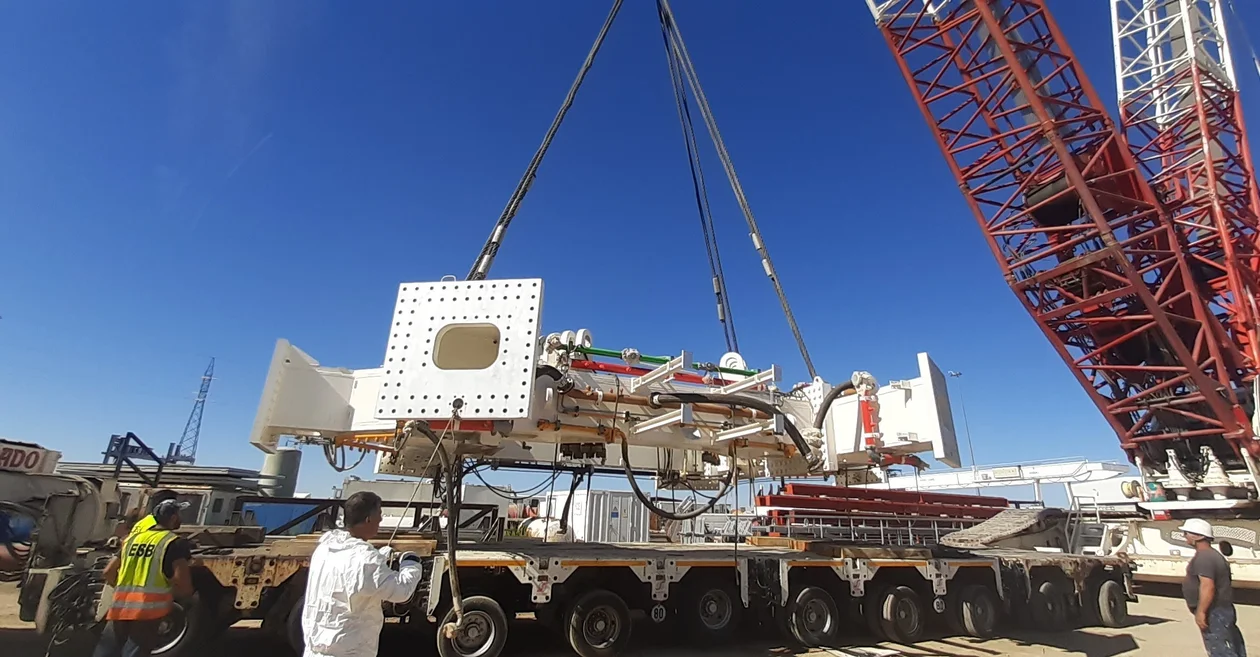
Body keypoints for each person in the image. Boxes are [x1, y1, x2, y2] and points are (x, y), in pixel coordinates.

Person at [302, 492, 424, 657]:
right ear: (368, 519)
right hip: (349, 651)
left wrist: (379, 556)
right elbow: (401, 591)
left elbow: (352, 573)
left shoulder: (325, 548)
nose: (381, 520)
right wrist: (411, 563)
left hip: (316, 647)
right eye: (379, 514)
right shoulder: (366, 561)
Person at [93, 499, 194, 657]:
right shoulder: (173, 543)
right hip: (147, 612)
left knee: (107, 651)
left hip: (120, 607)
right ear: (173, 518)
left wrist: (122, 590)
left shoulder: (131, 539)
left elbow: (108, 572)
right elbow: (183, 585)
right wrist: (170, 597)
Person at [1180, 518, 1246, 657]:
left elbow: (1207, 586)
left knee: (1221, 650)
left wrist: (1201, 612)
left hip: (1215, 612)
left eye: (1186, 533)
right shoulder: (1211, 555)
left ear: (1197, 536)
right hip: (1221, 610)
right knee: (1231, 645)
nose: (1184, 536)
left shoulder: (1205, 557)